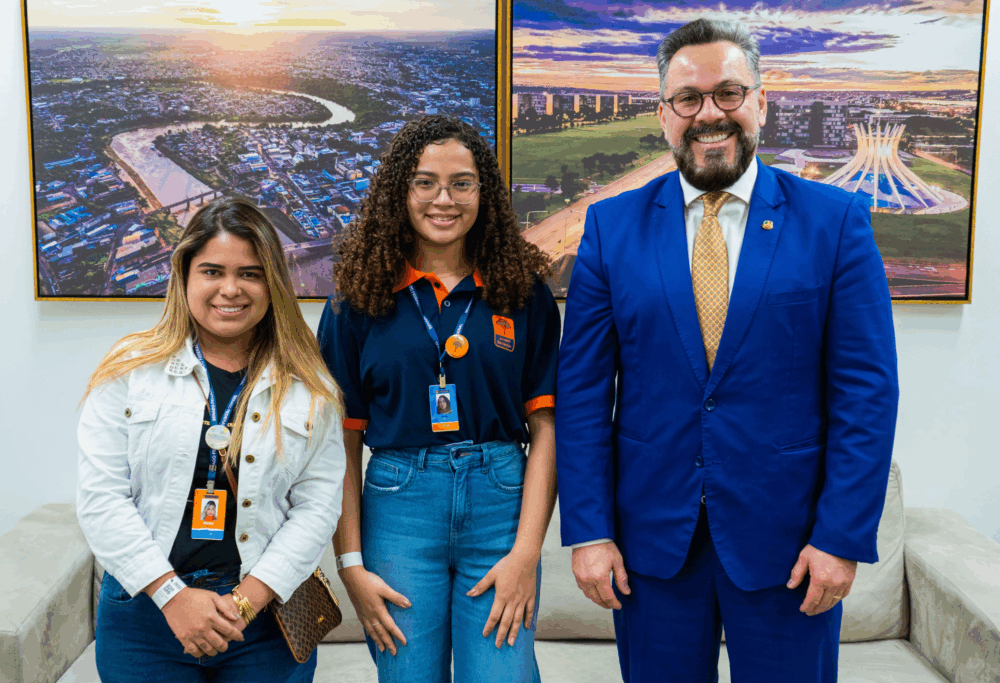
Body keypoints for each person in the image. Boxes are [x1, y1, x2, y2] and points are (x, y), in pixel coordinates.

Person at [555, 18, 900, 683]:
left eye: (729, 93)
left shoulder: (835, 223)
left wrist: (840, 536)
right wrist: (590, 531)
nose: (709, 113)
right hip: (651, 547)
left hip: (792, 548)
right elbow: (583, 396)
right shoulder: (610, 226)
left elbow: (866, 395)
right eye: (688, 98)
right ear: (664, 115)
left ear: (761, 103)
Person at [318, 115, 561, 683]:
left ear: (484, 192)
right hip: (398, 508)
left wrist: (527, 553)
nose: (443, 199)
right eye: (424, 182)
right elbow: (341, 440)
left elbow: (548, 428)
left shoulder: (525, 293)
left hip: (500, 503)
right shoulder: (356, 300)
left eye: (461, 183)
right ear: (398, 192)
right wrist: (350, 564)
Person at [77, 198, 347, 683]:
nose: (230, 289)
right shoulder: (130, 370)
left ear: (273, 283)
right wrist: (172, 596)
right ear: (184, 276)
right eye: (212, 272)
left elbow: (317, 507)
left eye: (250, 274)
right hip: (145, 615)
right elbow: (101, 498)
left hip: (264, 619)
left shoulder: (310, 385)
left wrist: (245, 603)